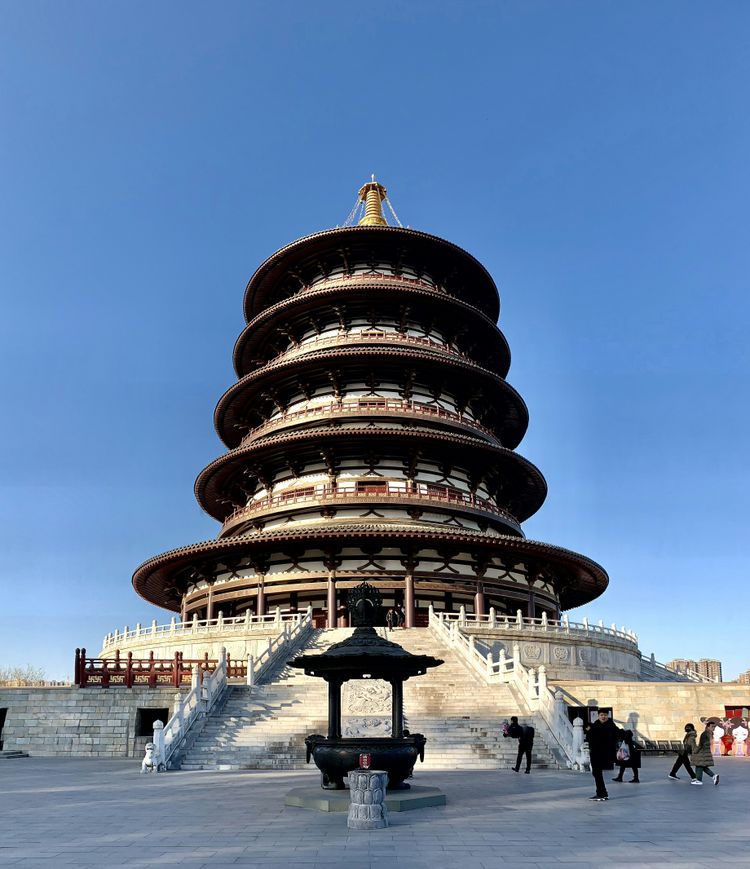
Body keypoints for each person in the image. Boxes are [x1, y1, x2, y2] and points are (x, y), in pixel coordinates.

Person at [585, 709, 621, 801]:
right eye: (601, 715)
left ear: (607, 716)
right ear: (598, 716)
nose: (603, 717)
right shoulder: (595, 725)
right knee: (596, 773)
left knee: (597, 773)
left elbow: (618, 734)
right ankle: (602, 793)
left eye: (605, 715)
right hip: (595, 752)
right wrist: (588, 730)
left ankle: (601, 793)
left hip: (605, 753)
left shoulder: (611, 726)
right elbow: (589, 738)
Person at [691, 722, 720, 786]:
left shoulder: (705, 734)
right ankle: (713, 776)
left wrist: (696, 751)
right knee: (702, 766)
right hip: (706, 752)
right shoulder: (710, 734)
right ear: (708, 726)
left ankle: (699, 780)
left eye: (714, 727)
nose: (713, 728)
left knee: (699, 765)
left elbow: (701, 744)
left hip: (702, 752)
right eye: (712, 726)